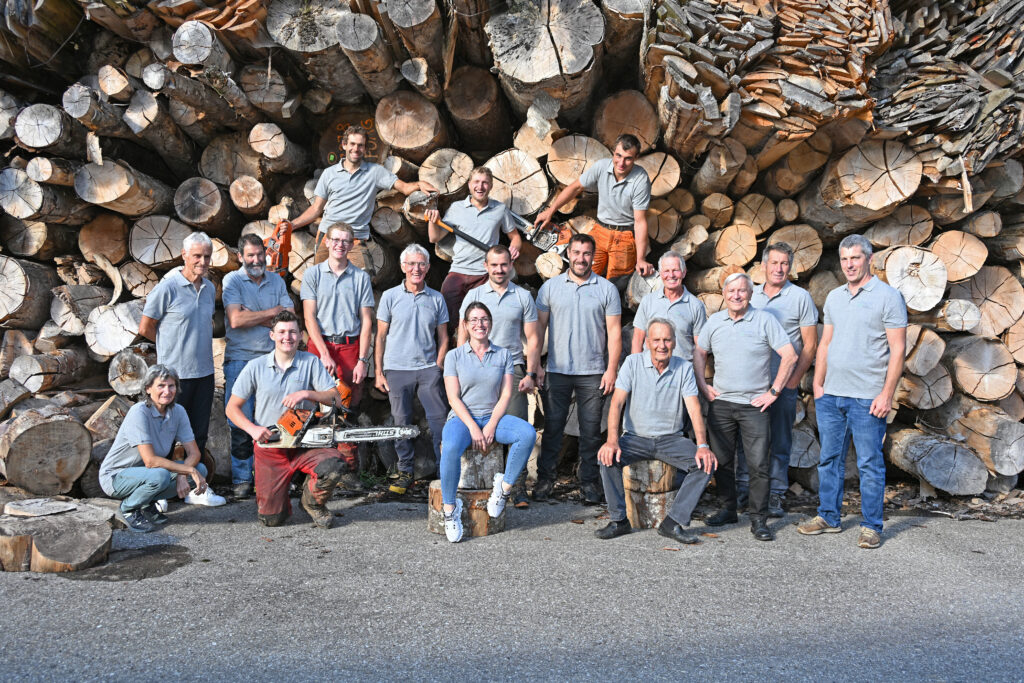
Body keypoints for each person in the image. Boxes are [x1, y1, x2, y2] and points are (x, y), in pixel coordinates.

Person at [798, 234, 907, 549]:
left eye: (855, 258)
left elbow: (897, 350)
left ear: (868, 259)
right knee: (829, 459)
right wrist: (818, 384)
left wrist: (886, 394)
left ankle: (871, 526)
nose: (849, 264)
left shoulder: (888, 297)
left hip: (867, 397)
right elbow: (826, 343)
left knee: (869, 463)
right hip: (832, 395)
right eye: (845, 259)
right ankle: (828, 517)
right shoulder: (834, 297)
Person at [693, 273, 797, 542]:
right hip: (722, 403)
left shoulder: (765, 320)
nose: (737, 295)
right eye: (732, 290)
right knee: (723, 463)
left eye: (742, 290)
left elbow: (790, 355)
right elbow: (699, 352)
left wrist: (774, 392)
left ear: (750, 294)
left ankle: (758, 519)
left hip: (754, 406)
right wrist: (704, 386)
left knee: (758, 465)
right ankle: (728, 509)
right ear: (724, 293)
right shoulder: (715, 322)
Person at [596, 319, 718, 544]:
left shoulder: (683, 368)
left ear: (674, 343)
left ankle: (673, 522)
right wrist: (612, 440)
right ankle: (619, 520)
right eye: (657, 340)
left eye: (667, 340)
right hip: (634, 438)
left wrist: (702, 445)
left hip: (670, 439)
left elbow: (693, 407)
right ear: (647, 343)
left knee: (705, 464)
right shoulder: (632, 363)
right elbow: (617, 403)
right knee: (606, 459)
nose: (662, 345)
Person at [226, 311, 348, 528]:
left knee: (333, 465)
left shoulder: (311, 362)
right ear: (272, 335)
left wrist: (307, 394)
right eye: (281, 332)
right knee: (271, 520)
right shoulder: (255, 366)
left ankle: (312, 503)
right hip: (271, 445)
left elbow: (334, 398)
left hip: (305, 443)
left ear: (301, 335)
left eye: (292, 332)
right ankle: (281, 500)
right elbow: (232, 408)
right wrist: (253, 429)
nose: (287, 337)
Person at [439, 302, 538, 543]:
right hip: (463, 418)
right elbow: (453, 398)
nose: (479, 324)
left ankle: (503, 489)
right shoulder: (454, 356)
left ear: (490, 324)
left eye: (484, 319)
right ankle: (450, 510)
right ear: (465, 325)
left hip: (493, 416)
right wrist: (474, 428)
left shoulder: (503, 354)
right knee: (450, 447)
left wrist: (491, 425)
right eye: (473, 320)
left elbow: (505, 395)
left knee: (527, 434)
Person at [534, 233, 622, 504]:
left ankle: (589, 483)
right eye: (576, 252)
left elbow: (615, 333)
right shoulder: (550, 288)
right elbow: (538, 329)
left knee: (590, 431)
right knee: (553, 429)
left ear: (593, 256)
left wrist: (611, 370)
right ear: (567, 254)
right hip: (557, 371)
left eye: (586, 253)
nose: (581, 258)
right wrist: (536, 365)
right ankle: (544, 480)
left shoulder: (606, 289)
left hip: (593, 372)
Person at [734, 242, 818, 516]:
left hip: (783, 384)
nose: (779, 268)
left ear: (790, 267)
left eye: (784, 263)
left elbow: (809, 345)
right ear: (763, 266)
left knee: (780, 440)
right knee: (749, 438)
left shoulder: (800, 297)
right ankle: (745, 490)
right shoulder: (750, 295)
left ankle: (776, 494)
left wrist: (793, 381)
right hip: (751, 383)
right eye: (774, 263)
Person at [139, 232, 219, 508]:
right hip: (173, 377)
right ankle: (161, 491)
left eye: (206, 256)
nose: (202, 261)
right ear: (184, 255)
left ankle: (195, 489)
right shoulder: (168, 287)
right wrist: (168, 350)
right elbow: (146, 327)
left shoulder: (209, 288)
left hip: (204, 373)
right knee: (166, 438)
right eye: (197, 256)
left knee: (197, 434)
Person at [458, 245, 541, 508]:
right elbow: (462, 337)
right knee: (475, 425)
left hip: (512, 370)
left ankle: (516, 488)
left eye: (504, 264)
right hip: (477, 370)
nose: (499, 269)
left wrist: (530, 372)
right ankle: (474, 482)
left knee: (516, 429)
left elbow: (534, 337)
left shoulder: (523, 297)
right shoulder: (473, 295)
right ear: (486, 266)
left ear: (511, 265)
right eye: (494, 265)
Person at [99, 365, 222, 533]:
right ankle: (128, 509)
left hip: (147, 473)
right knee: (161, 475)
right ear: (148, 388)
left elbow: (194, 453)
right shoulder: (139, 412)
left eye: (171, 386)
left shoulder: (178, 411)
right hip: (116, 476)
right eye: (161, 386)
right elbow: (150, 461)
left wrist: (182, 474)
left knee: (200, 469)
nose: (167, 391)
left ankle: (146, 504)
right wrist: (186, 469)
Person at [288, 125, 435, 264]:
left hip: (355, 238)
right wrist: (292, 225)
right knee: (322, 285)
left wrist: (419, 184)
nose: (356, 149)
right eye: (352, 144)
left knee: (358, 284)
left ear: (365, 149)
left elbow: (404, 187)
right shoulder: (329, 174)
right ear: (344, 145)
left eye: (360, 145)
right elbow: (316, 209)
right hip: (328, 236)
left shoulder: (375, 172)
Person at [300, 222, 375, 487]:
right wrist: (323, 353)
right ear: (327, 242)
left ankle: (349, 471)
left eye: (346, 241)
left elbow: (366, 321)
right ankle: (311, 469)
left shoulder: (360, 278)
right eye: (336, 240)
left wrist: (363, 359)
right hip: (321, 346)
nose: (340, 245)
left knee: (348, 411)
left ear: (352, 245)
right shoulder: (313, 275)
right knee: (315, 410)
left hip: (350, 346)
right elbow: (309, 318)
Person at [221, 233, 294, 499]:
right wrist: (273, 313)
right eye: (250, 255)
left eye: (260, 254)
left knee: (276, 419)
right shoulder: (232, 280)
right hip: (240, 360)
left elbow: (289, 318)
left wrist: (259, 316)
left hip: (272, 360)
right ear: (240, 257)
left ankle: (273, 476)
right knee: (240, 421)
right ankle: (242, 478)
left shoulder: (276, 280)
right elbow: (237, 320)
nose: (256, 260)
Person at [375, 244, 450, 495]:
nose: (416, 269)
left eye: (421, 264)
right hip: (397, 369)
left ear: (428, 268)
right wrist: (378, 370)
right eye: (411, 264)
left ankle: (444, 473)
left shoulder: (436, 298)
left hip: (428, 369)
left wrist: (438, 366)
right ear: (402, 267)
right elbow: (381, 337)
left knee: (440, 422)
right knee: (401, 424)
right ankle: (405, 471)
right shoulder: (389, 297)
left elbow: (444, 337)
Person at [535, 134, 653, 280]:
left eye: (628, 158)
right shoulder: (602, 166)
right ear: (613, 152)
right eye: (618, 155)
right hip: (600, 229)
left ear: (636, 158)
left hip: (624, 236)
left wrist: (641, 259)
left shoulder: (641, 179)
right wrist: (550, 210)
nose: (621, 163)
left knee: (615, 283)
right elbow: (575, 187)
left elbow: (640, 221)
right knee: (582, 273)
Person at [426, 167, 523, 329]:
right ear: (469, 185)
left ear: (491, 186)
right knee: (446, 322)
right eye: (476, 182)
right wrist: (432, 221)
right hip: (458, 271)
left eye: (485, 182)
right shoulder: (456, 208)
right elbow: (434, 237)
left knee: (482, 323)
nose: (480, 186)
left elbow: (515, 237)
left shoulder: (500, 209)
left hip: (485, 275)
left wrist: (514, 248)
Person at [631, 251, 706, 361]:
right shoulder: (648, 301)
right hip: (651, 373)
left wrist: (698, 377)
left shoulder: (696, 305)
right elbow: (638, 339)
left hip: (682, 374)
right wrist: (636, 369)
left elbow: (700, 349)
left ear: (684, 272)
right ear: (660, 274)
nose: (671, 275)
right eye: (666, 271)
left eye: (675, 270)